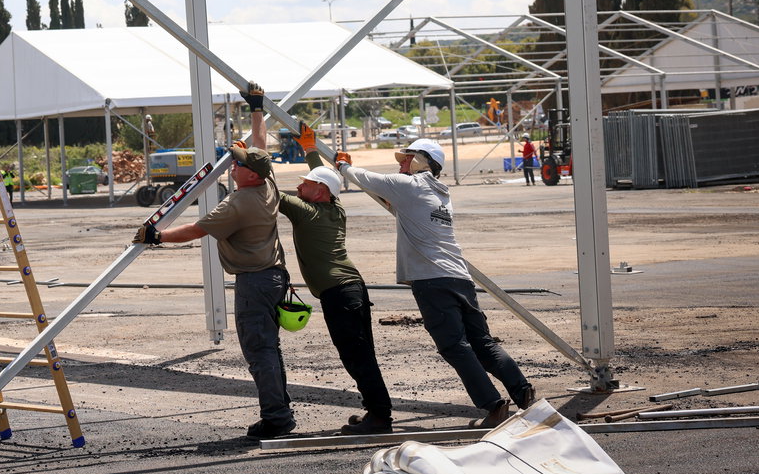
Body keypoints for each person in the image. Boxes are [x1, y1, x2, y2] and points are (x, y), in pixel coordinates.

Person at [335, 139, 535, 428]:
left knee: (454, 346)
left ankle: (494, 405)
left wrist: (343, 165)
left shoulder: (410, 186)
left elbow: (365, 178)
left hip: (432, 280)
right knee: (481, 342)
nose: (401, 164)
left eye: (406, 159)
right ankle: (522, 390)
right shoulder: (441, 193)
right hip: (459, 277)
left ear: (421, 161)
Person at [133, 89, 295, 442]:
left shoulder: (239, 203)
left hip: (255, 283)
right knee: (269, 348)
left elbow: (196, 230)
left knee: (260, 352)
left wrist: (156, 236)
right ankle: (281, 412)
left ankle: (276, 419)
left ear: (251, 175)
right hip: (273, 277)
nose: (233, 166)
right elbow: (261, 145)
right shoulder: (267, 183)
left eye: (239, 164)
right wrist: (256, 110)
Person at [245, 90, 393, 436]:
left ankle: (380, 417)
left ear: (319, 193)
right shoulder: (333, 207)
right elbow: (323, 178)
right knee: (362, 353)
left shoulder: (307, 212)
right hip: (350, 289)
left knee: (356, 355)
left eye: (305, 185)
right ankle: (376, 411)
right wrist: (310, 150)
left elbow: (270, 188)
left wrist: (252, 159)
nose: (300, 186)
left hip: (340, 294)